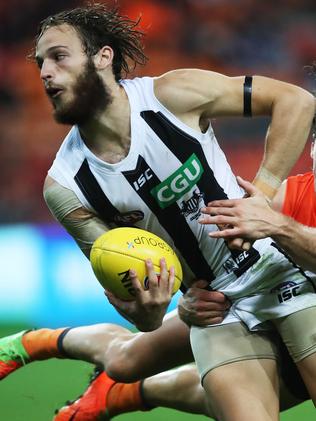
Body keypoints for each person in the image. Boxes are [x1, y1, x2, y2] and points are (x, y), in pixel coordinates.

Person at [4, 3, 316, 420]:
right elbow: (134, 304)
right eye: (41, 63)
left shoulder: (172, 95)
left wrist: (261, 193)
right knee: (131, 359)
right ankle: (97, 379)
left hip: (280, 269)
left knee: (128, 363)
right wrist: (160, 309)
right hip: (213, 307)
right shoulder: (65, 188)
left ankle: (112, 389)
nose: (44, 73)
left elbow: (295, 100)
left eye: (59, 57)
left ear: (103, 56)